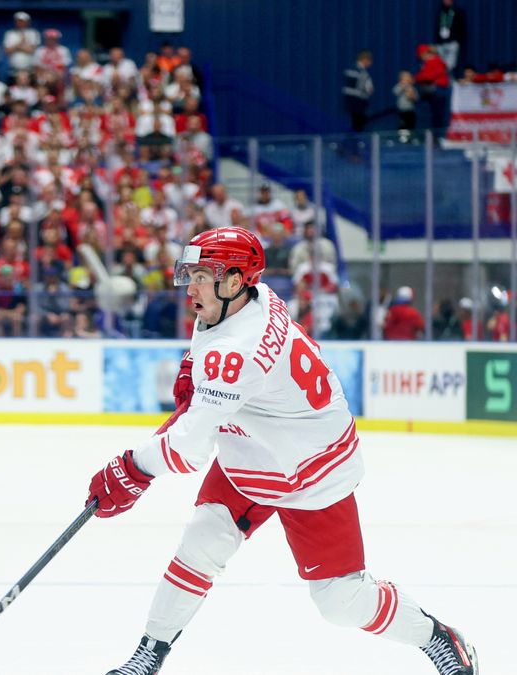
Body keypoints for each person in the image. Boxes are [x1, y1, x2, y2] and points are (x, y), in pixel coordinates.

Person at [85, 227, 477, 675]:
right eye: (190, 275)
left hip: (312, 468)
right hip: (252, 451)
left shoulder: (236, 350)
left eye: (201, 277)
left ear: (235, 281)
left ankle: (436, 636)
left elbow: (190, 448)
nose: (190, 288)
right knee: (202, 539)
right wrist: (196, 372)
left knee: (340, 601)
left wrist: (133, 467)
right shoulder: (252, 299)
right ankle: (148, 655)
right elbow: (219, 367)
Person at [342, 50, 373, 132]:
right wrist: (366, 90)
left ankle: (356, 136)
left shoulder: (362, 71)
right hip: (355, 102)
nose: (370, 63)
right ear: (364, 59)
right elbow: (358, 88)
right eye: (369, 61)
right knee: (356, 124)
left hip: (358, 103)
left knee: (359, 123)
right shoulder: (356, 71)